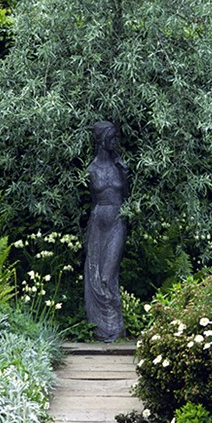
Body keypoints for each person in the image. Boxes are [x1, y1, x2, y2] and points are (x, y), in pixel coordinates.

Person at [84, 121, 128, 342]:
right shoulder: (91, 169)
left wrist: (124, 173)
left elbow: (126, 196)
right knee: (96, 273)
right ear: (101, 141)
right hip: (98, 222)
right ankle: (102, 328)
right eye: (111, 138)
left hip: (117, 220)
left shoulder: (119, 166)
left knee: (107, 275)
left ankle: (114, 327)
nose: (114, 142)